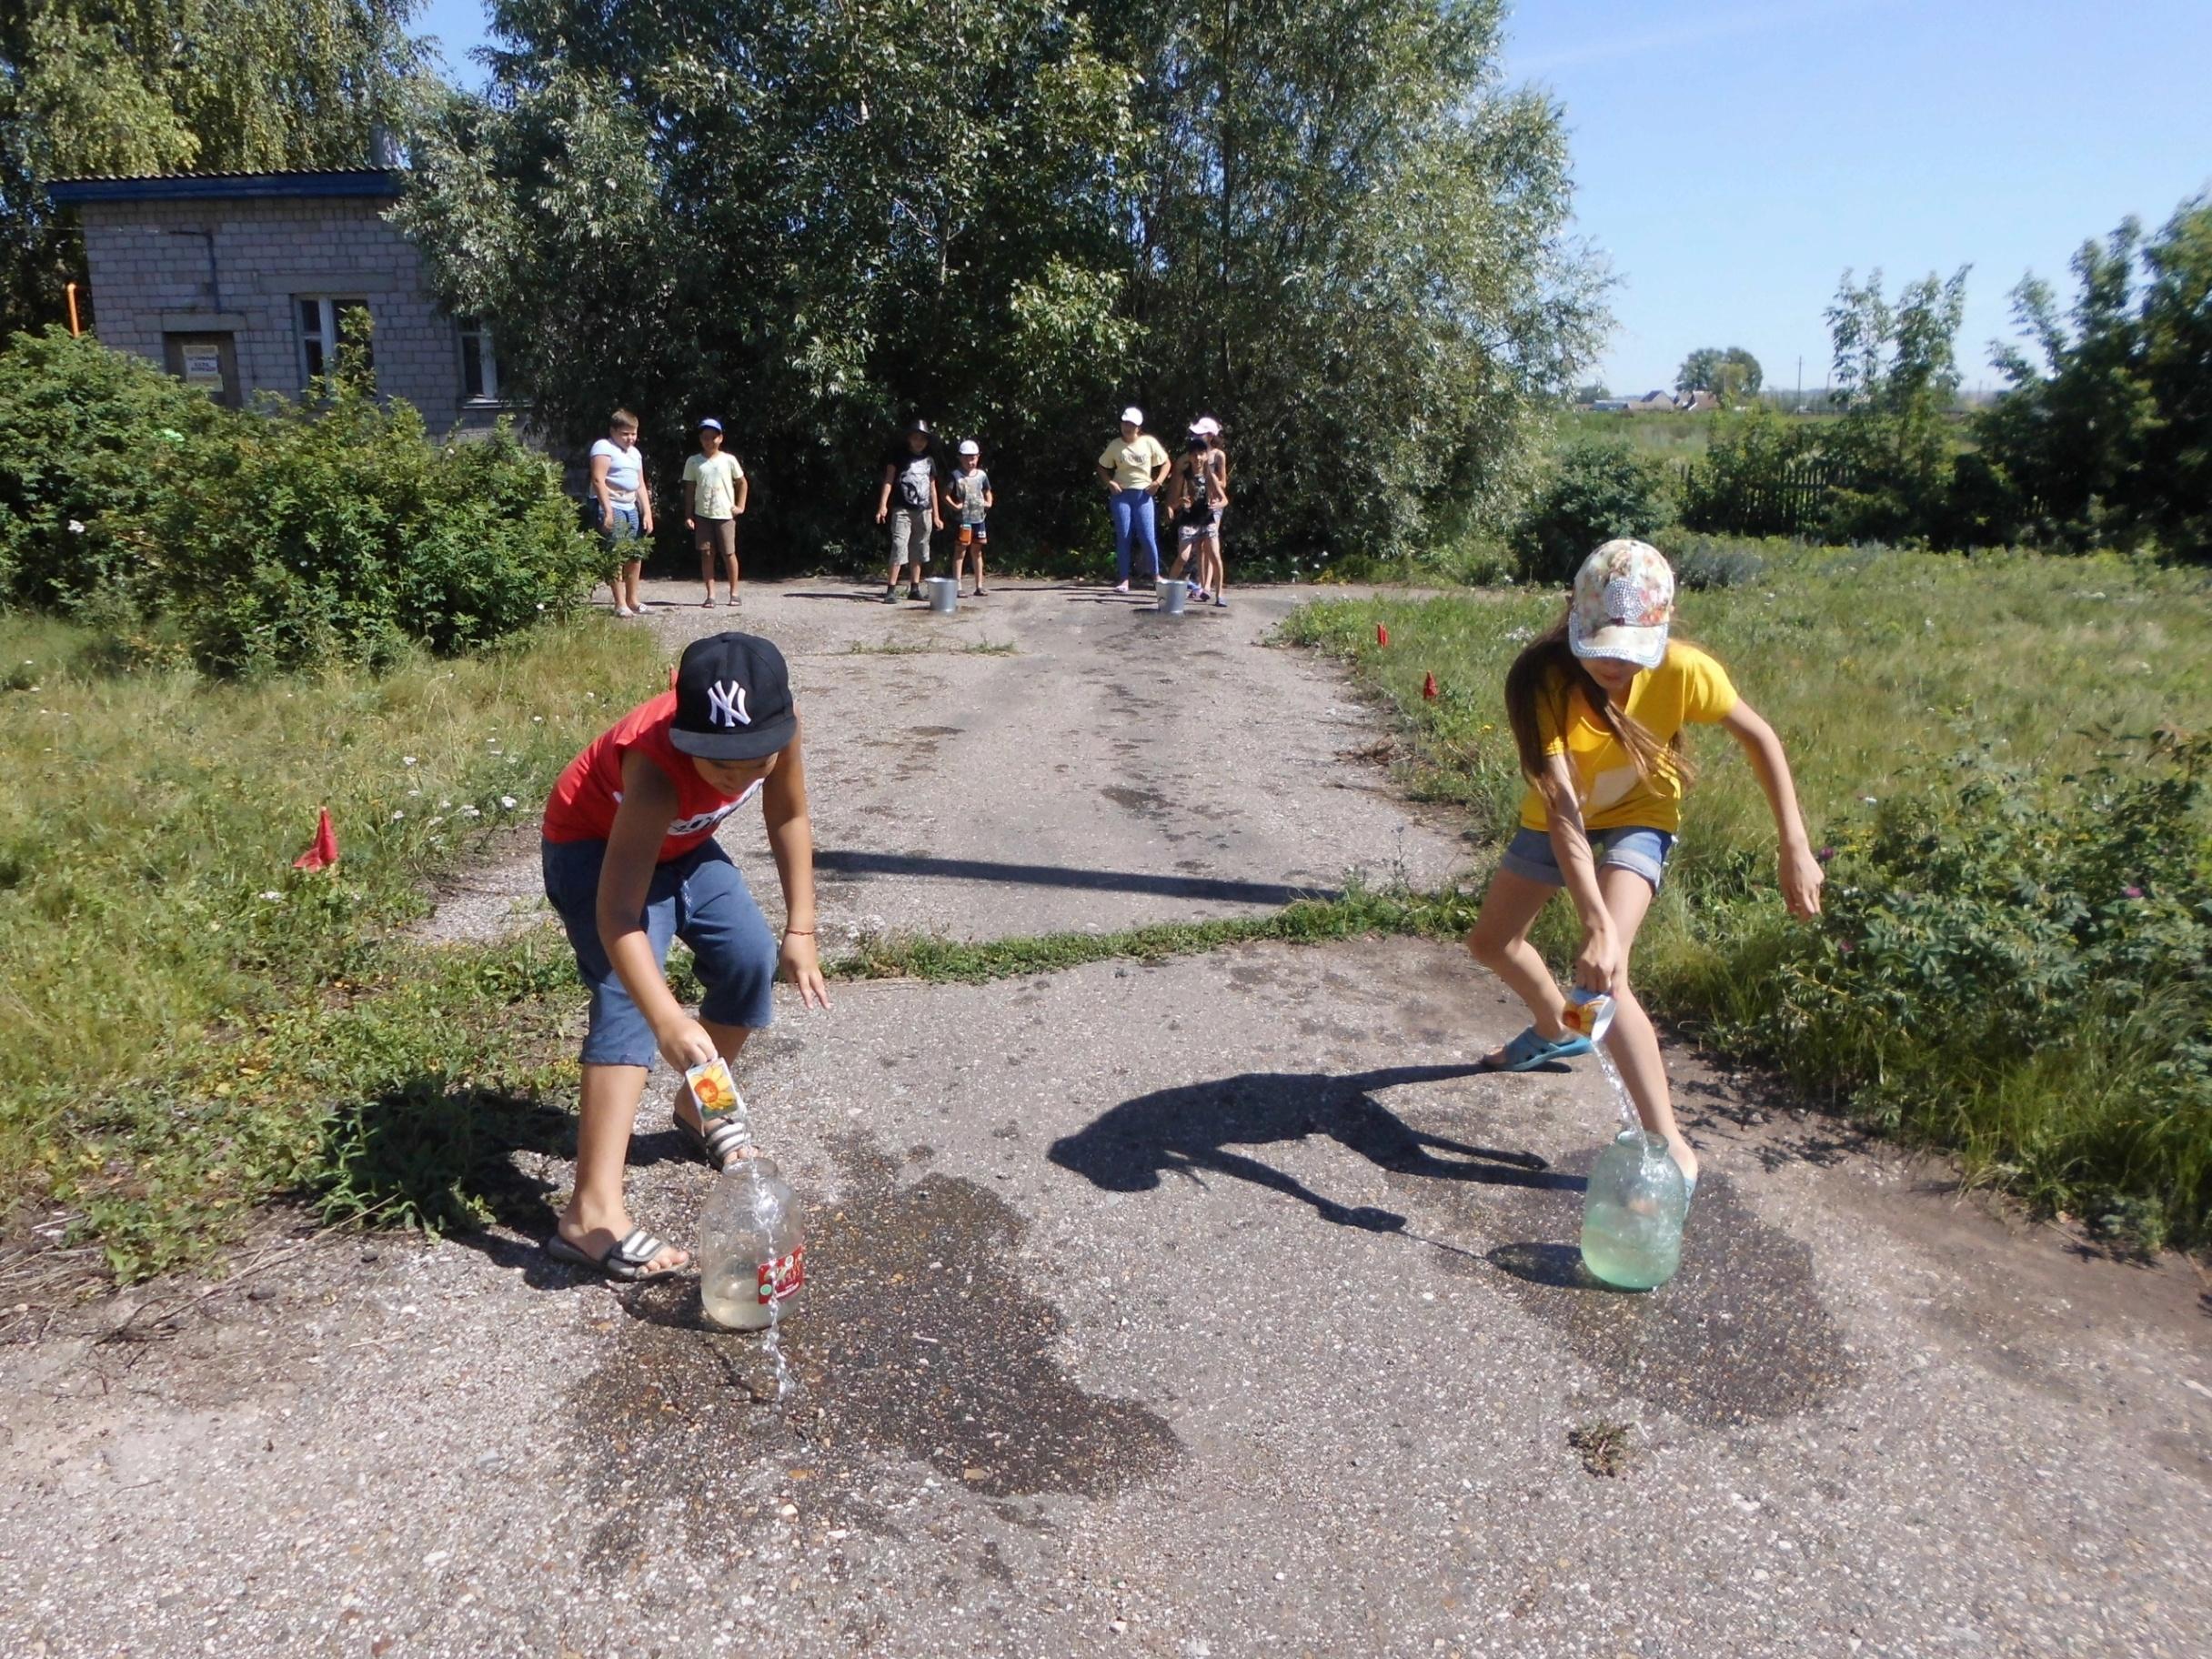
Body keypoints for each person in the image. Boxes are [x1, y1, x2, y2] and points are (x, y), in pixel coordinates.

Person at [1463, 539, 1823, 1199]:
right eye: (1598, 644)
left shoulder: (1687, 671)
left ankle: (1670, 1147)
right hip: (1559, 818)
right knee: (1490, 943)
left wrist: (1793, 845)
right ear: (1574, 618)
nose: (1611, 664)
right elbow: (1564, 806)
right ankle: (1556, 1029)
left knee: (1608, 974)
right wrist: (1592, 920)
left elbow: (1760, 736)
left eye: (1629, 652)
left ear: (1660, 632)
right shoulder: (1542, 680)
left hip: (1641, 813)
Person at [539, 631, 830, 1281]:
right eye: (717, 765)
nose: (735, 776)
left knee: (748, 956)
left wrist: (801, 928)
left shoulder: (778, 733)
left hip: (682, 846)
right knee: (629, 998)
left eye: (750, 761)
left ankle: (698, 1108)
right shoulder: (653, 766)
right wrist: (668, 1017)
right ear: (685, 735)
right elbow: (618, 917)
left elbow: (789, 814)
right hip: (593, 848)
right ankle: (589, 1216)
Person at [1095, 406, 1170, 594]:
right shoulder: (1115, 445)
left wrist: (1158, 482)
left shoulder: (1148, 442)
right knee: (1124, 536)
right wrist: (1109, 483)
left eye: (1132, 424)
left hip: (1143, 494)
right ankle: (1124, 579)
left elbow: (1166, 463)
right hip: (1122, 495)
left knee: (1147, 536)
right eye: (1125, 423)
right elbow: (1102, 466)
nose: (1127, 427)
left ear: (1139, 427)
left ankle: (1156, 576)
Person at [589, 409, 653, 618]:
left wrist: (647, 512)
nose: (630, 438)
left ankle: (633, 599)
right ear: (613, 431)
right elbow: (598, 480)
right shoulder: (603, 447)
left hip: (630, 505)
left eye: (633, 434)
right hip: (612, 504)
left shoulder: (635, 454)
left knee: (635, 553)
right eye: (625, 434)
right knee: (615, 553)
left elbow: (640, 484)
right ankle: (620, 603)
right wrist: (607, 511)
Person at [682, 418, 747, 608]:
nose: (709, 441)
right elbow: (690, 489)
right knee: (707, 553)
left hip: (725, 514)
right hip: (703, 514)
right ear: (700, 439)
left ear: (720, 438)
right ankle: (710, 595)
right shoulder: (693, 461)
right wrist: (688, 515)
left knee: (729, 553)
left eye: (713, 437)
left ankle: (734, 593)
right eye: (705, 437)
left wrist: (740, 506)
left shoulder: (728, 460)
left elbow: (742, 482)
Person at [875, 419, 942, 602]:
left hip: (924, 510)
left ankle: (915, 588)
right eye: (915, 438)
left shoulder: (929, 460)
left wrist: (937, 514)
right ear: (909, 439)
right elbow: (889, 480)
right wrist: (883, 505)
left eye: (923, 439)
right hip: (902, 508)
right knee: (899, 545)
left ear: (927, 441)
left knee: (918, 547)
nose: (919, 442)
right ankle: (891, 589)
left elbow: (932, 488)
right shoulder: (898, 457)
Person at [1167, 417, 1230, 608]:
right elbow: (1173, 497)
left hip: (1208, 516)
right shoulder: (1184, 468)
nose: (1198, 458)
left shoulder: (1215, 463)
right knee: (1185, 556)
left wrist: (1218, 503)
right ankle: (1168, 590)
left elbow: (1224, 494)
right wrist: (1174, 506)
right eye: (1194, 454)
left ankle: (1216, 593)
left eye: (1201, 454)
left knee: (1213, 552)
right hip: (1189, 518)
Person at [944, 438, 994, 597]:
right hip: (963, 520)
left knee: (977, 551)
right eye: (966, 457)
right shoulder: (955, 475)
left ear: (978, 457)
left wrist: (989, 503)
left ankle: (979, 585)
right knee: (960, 551)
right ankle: (957, 586)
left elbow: (987, 491)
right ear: (960, 458)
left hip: (979, 518)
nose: (970, 461)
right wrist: (954, 506)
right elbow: (944, 495)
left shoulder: (982, 475)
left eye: (973, 457)